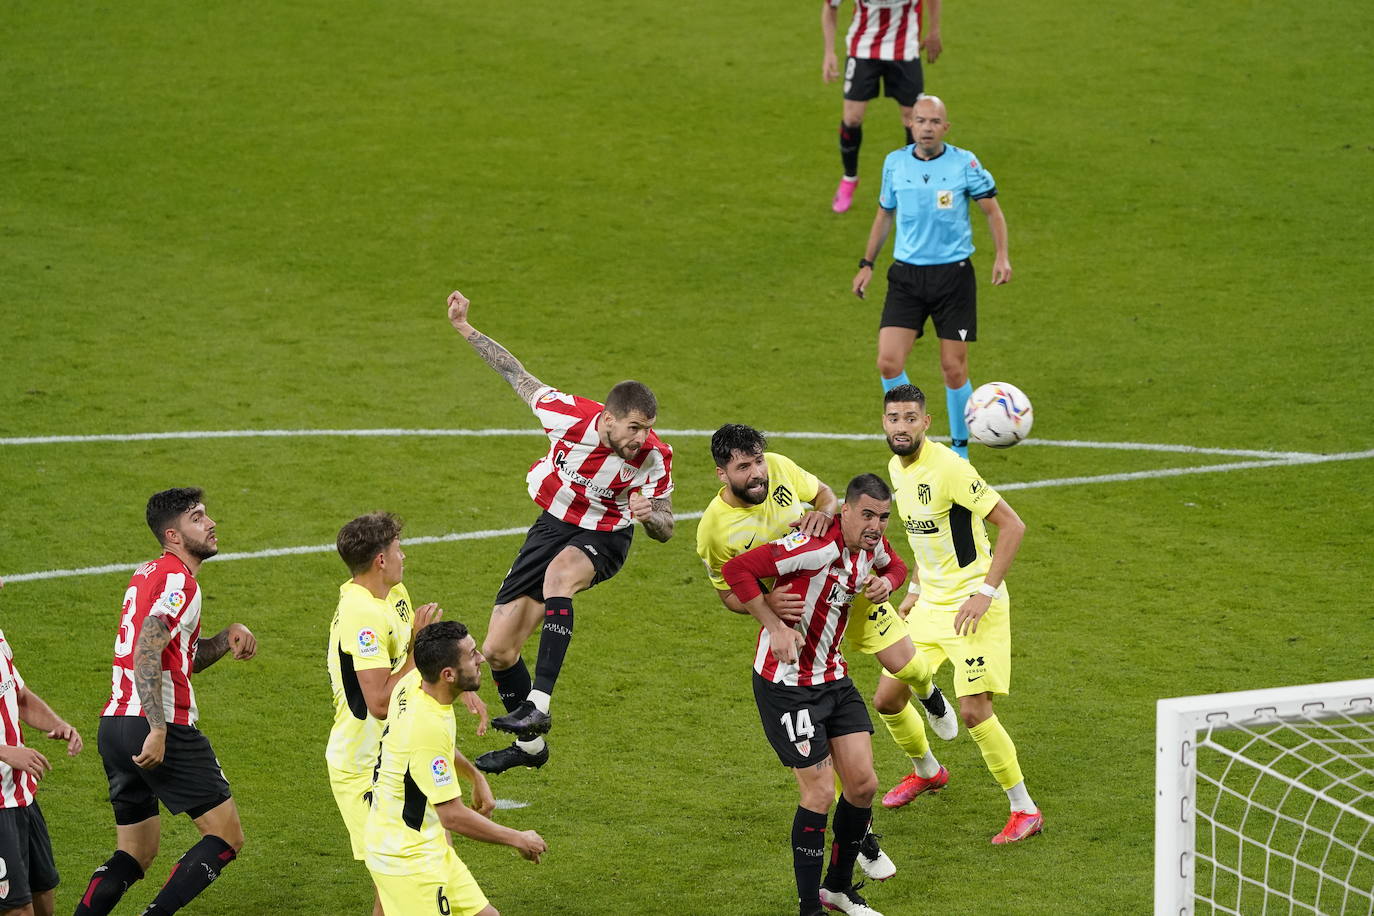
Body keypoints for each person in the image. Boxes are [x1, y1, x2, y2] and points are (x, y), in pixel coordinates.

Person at [445, 289, 676, 775]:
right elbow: (516, 375)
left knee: (558, 578)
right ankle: (529, 748)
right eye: (634, 428)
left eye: (648, 428)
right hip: (553, 525)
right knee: (498, 650)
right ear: (608, 419)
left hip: (606, 535)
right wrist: (465, 328)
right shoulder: (565, 415)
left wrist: (648, 513)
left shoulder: (655, 457)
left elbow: (667, 527)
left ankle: (540, 704)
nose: (642, 439)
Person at [696, 426, 957, 831]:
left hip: (852, 584)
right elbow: (729, 593)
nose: (758, 473)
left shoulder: (781, 468)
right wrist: (766, 607)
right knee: (834, 733)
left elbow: (827, 497)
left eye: (758, 461)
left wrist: (822, 510)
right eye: (744, 467)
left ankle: (929, 693)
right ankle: (923, 771)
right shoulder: (714, 530)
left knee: (907, 667)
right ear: (722, 474)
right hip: (803, 616)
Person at [722, 474, 905, 916]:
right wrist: (775, 625)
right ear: (843, 510)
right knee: (820, 793)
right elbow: (736, 570)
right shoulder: (815, 546)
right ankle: (810, 908)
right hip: (786, 687)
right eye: (867, 515)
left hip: (833, 678)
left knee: (863, 784)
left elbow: (895, 565)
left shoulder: (869, 546)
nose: (876, 525)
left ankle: (837, 889)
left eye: (883, 517)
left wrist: (889, 584)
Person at [74, 488, 258, 916]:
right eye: (198, 518)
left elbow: (178, 658)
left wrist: (224, 639)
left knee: (136, 852)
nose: (210, 523)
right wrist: (158, 728)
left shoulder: (148, 573)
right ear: (174, 535)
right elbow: (148, 647)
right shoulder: (180, 581)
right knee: (226, 837)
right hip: (158, 724)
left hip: (115, 724)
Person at [881, 384, 1043, 843]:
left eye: (911, 418)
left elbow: (1013, 525)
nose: (902, 427)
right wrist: (913, 588)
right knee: (888, 699)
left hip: (973, 607)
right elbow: (926, 537)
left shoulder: (951, 467)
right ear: (885, 423)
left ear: (926, 423)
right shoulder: (897, 467)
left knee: (974, 711)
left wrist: (986, 592)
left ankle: (1024, 810)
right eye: (894, 418)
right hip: (930, 604)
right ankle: (928, 771)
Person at [852, 94, 1011, 459]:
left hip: (953, 277)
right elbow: (884, 215)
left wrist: (1002, 255)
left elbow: (992, 211)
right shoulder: (895, 164)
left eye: (934, 122)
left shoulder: (964, 163)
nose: (926, 128)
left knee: (953, 368)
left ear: (945, 127)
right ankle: (913, 432)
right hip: (906, 277)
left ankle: (959, 451)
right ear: (911, 124)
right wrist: (867, 263)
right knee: (888, 362)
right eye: (920, 121)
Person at [326, 511, 462, 916]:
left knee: (413, 870)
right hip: (361, 763)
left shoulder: (394, 595)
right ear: (380, 560)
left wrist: (455, 684)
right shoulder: (361, 613)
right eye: (398, 549)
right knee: (413, 870)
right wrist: (420, 647)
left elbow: (410, 672)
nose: (405, 556)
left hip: (393, 753)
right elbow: (381, 701)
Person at [366, 621, 547, 916]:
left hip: (419, 841)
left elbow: (433, 751)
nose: (481, 659)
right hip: (407, 857)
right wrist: (518, 838)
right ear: (447, 675)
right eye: (472, 655)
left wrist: (474, 776)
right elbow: (451, 815)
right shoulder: (426, 728)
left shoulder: (414, 684)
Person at [0, 579, 84, 916]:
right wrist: (5, 751)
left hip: (20, 795)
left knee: (43, 894)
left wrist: (57, 723)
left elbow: (18, 696)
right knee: (17, 910)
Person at [822, 0, 942, 213]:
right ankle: (849, 178)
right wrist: (829, 52)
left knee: (912, 118)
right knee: (852, 117)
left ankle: (912, 183)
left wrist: (934, 31)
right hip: (863, 47)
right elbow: (831, 6)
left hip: (904, 48)